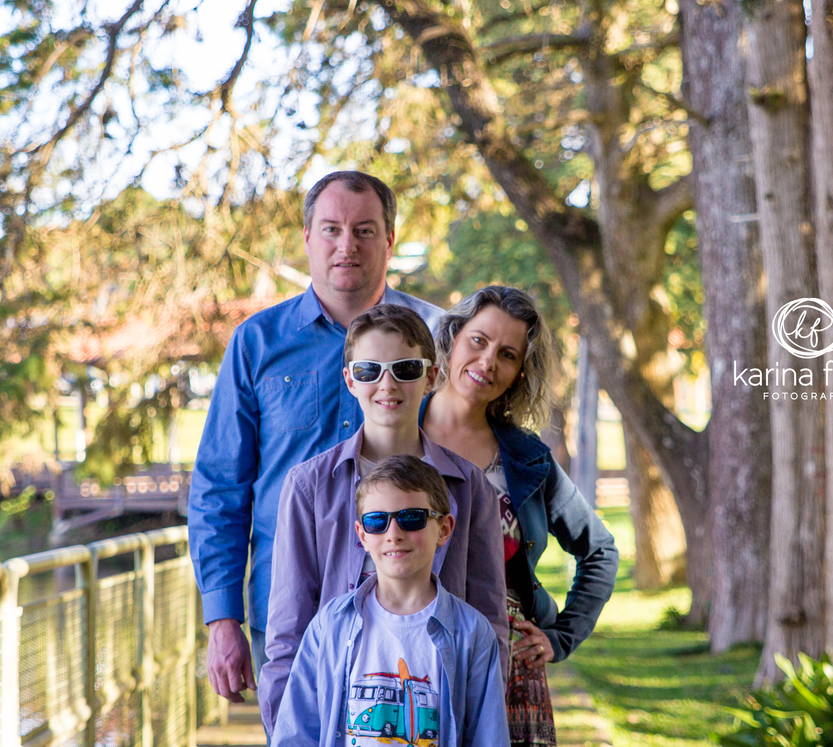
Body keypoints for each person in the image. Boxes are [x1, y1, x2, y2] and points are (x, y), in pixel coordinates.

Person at [188, 171, 443, 703]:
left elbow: (480, 463)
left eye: (365, 230)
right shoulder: (257, 343)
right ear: (306, 238)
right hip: (288, 615)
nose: (346, 244)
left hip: (419, 607)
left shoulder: (439, 336)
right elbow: (219, 489)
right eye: (331, 229)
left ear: (390, 240)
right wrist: (222, 619)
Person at [260, 304, 508, 738]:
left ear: (431, 377)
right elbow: (288, 634)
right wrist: (284, 725)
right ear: (350, 379)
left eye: (406, 368)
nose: (387, 384)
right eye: (370, 369)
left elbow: (490, 620)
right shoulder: (308, 487)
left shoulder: (470, 488)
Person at [419, 286, 619, 747]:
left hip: (509, 669)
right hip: (407, 658)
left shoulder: (528, 459)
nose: (488, 361)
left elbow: (600, 551)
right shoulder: (395, 435)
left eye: (507, 354)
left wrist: (561, 637)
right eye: (479, 340)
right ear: (452, 337)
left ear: (518, 373)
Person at [271, 454, 509, 747]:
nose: (393, 534)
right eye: (376, 521)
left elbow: (489, 737)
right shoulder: (329, 626)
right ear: (362, 535)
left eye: (412, 518)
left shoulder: (472, 633)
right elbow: (296, 733)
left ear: (444, 529)